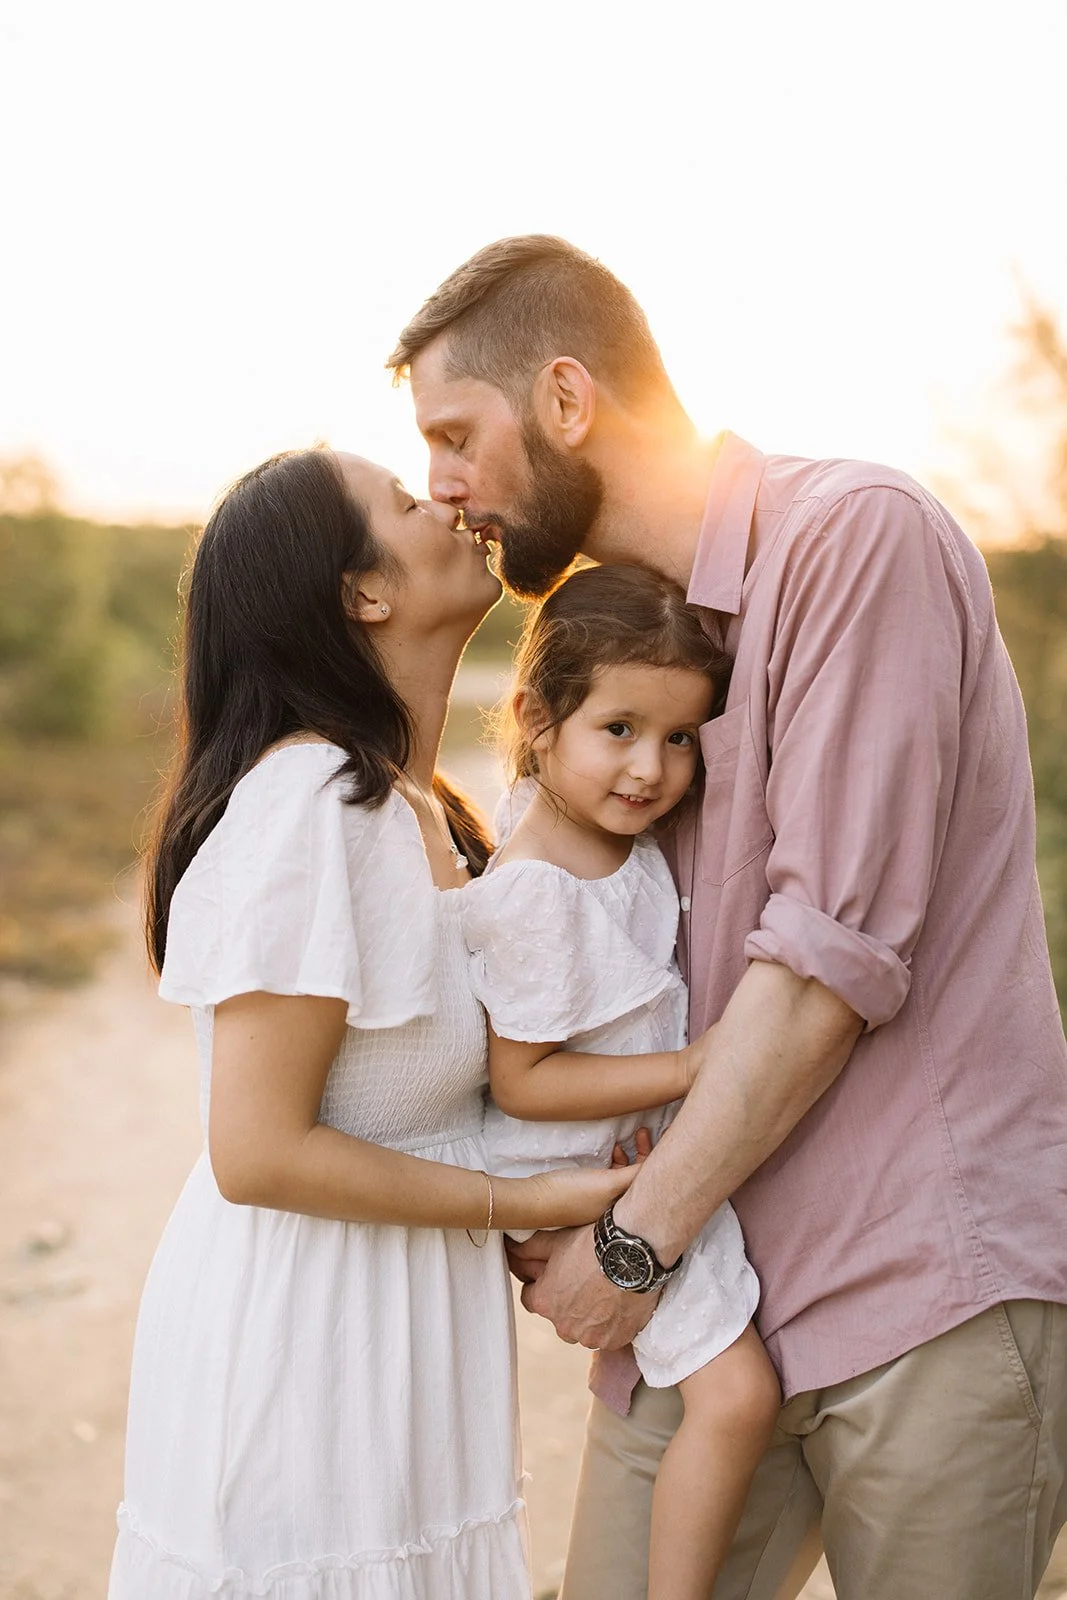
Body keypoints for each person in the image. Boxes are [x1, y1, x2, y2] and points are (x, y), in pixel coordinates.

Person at [388, 236, 1067, 1600]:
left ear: (566, 402)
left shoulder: (852, 539)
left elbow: (824, 965)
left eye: (456, 436)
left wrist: (630, 1239)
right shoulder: (636, 645)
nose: (440, 484)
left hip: (920, 1287)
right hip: (717, 1298)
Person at [108, 446, 638, 1600]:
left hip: (405, 1321)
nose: (445, 498)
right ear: (364, 592)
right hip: (308, 1334)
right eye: (405, 501)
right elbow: (255, 1151)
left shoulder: (426, 806)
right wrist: (527, 1201)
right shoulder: (310, 802)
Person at [462, 562, 781, 1599]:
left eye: (680, 737)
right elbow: (521, 1081)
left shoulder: (612, 835)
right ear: (537, 719)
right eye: (619, 729)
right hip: (577, 1163)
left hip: (628, 1149)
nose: (650, 767)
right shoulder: (534, 891)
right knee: (734, 1402)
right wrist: (693, 1066)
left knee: (722, 1396)